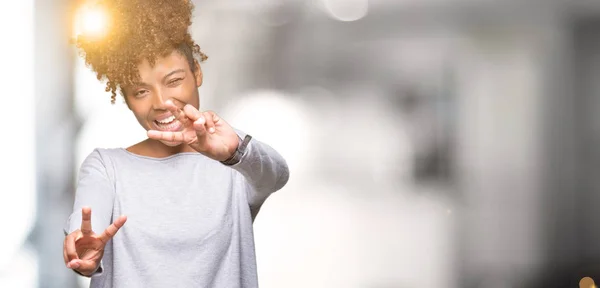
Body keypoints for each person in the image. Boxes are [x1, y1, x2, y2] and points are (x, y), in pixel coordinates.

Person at [62, 0, 289, 287]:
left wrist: (235, 152)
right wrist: (84, 248)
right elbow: (87, 224)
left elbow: (277, 174)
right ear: (127, 99)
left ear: (197, 72)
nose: (161, 103)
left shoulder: (233, 162)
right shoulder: (107, 167)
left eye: (173, 80)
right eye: (141, 91)